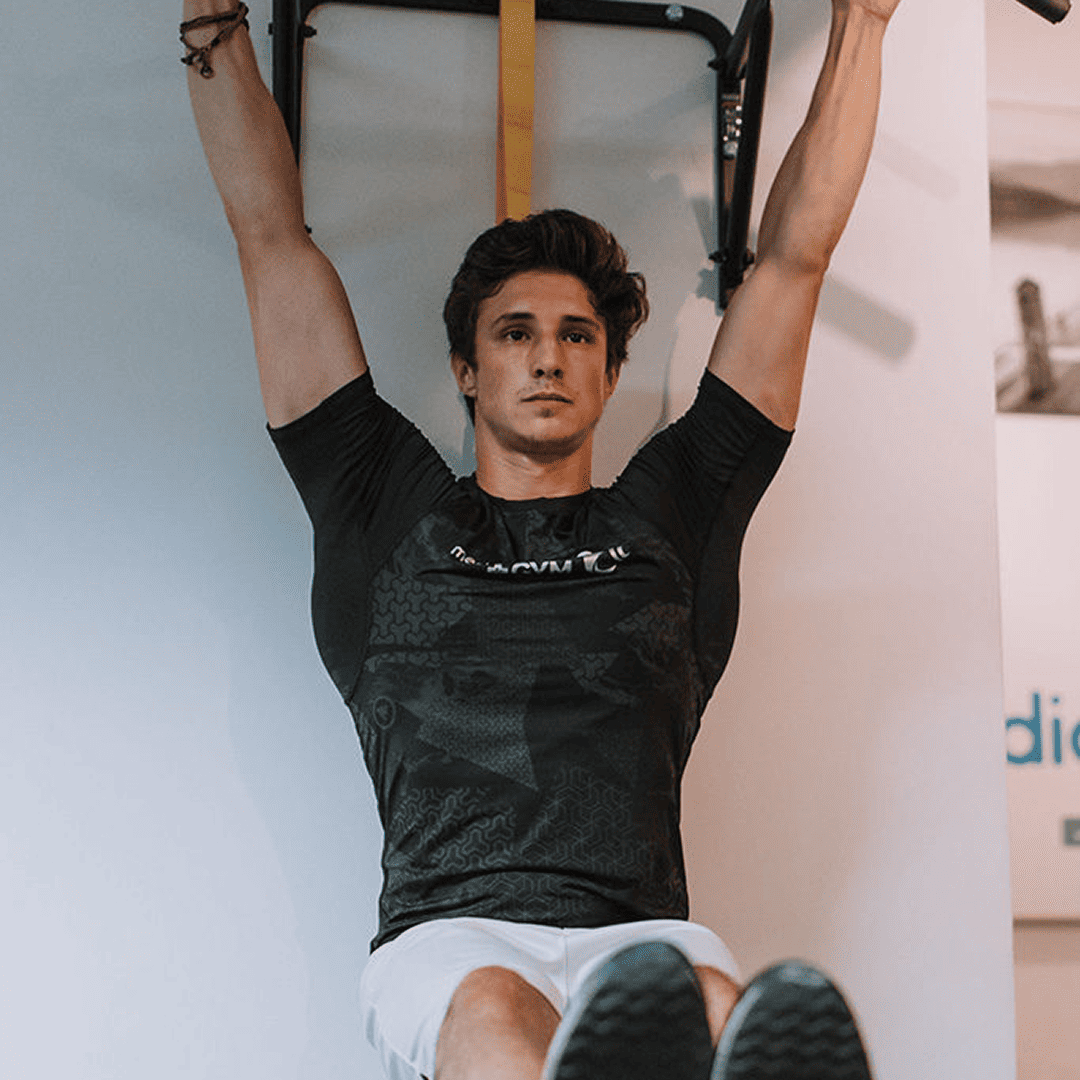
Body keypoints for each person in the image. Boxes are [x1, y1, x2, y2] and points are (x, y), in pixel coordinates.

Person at [182, 1, 901, 1078]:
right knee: (493, 1014)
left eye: (577, 335)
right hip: (450, 934)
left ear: (610, 373)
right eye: (515, 333)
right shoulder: (382, 507)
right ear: (468, 371)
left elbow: (796, 261)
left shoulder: (675, 511)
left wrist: (863, 23)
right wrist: (212, 23)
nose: (549, 357)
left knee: (717, 1001)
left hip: (644, 936)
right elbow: (269, 238)